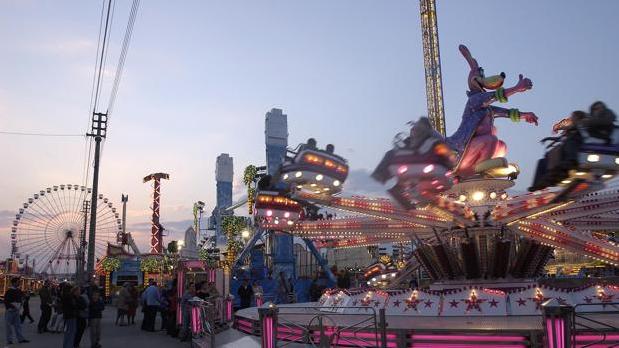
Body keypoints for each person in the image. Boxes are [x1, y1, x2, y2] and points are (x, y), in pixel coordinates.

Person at [4, 277, 29, 345]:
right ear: (14, 283)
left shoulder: (18, 290)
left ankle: (20, 339)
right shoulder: (9, 291)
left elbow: (23, 297)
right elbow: (6, 301)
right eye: (18, 282)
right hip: (10, 311)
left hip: (16, 310)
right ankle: (9, 340)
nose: (19, 283)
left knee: (18, 326)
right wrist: (11, 306)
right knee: (8, 326)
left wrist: (25, 297)